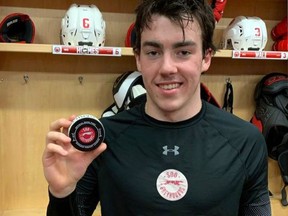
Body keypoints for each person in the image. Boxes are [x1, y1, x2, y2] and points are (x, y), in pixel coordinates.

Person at [42, 0, 271, 215]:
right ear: (138, 58)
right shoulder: (102, 140)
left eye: (183, 52)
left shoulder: (246, 141)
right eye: (153, 52)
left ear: (206, 58)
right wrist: (62, 192)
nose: (167, 68)